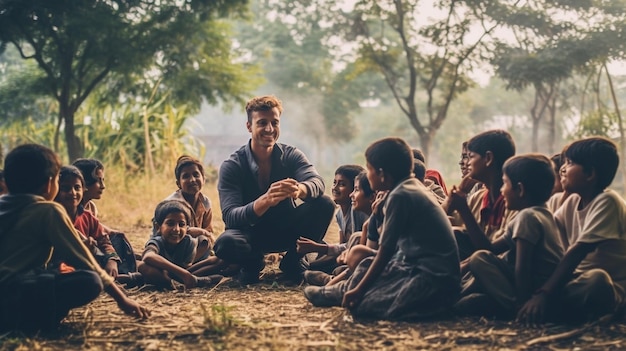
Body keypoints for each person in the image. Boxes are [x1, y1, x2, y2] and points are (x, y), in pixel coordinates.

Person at [304, 137, 461, 320]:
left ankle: (345, 293)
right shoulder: (410, 187)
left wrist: (359, 291)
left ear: (381, 174)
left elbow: (384, 253)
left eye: (369, 169)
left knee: (364, 306)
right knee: (365, 264)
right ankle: (338, 291)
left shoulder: (400, 196)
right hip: (410, 268)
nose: (366, 174)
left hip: (432, 280)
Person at [0, 144, 149, 331]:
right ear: (49, 184)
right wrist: (122, 299)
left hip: (12, 288)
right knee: (90, 281)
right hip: (13, 293)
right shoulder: (48, 210)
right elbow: (84, 259)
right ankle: (32, 320)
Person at [214, 95, 335, 284]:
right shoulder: (232, 165)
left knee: (325, 203)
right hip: (250, 235)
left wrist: (300, 189)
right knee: (225, 244)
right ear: (249, 127)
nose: (269, 129)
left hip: (286, 229)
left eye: (274, 122)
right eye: (262, 123)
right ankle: (252, 265)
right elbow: (230, 216)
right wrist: (265, 200)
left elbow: (317, 182)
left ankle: (293, 262)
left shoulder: (291, 155)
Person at [518, 137, 626, 323]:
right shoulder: (573, 201)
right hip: (571, 280)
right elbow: (548, 231)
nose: (563, 168)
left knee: (597, 280)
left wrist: (544, 293)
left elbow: (577, 251)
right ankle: (543, 308)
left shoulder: (607, 202)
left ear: (590, 173)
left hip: (607, 287)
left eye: (570, 163)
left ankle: (540, 307)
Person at [455, 154, 563, 318]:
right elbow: (489, 249)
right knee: (480, 259)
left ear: (520, 190)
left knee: (479, 260)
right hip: (530, 284)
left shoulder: (528, 217)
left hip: (534, 288)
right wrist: (464, 211)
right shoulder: (537, 212)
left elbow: (523, 268)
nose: (501, 190)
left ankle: (516, 308)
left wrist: (523, 301)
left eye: (505, 183)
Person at [444, 130, 517, 260]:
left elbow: (491, 253)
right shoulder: (478, 198)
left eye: (471, 157)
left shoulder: (515, 202)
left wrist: (464, 209)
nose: (467, 163)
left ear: (488, 158)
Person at [299, 170, 377, 286]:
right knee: (328, 266)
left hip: (358, 259)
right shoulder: (339, 214)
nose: (335, 188)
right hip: (349, 256)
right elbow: (343, 245)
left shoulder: (360, 214)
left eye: (342, 184)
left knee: (353, 243)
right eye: (334, 183)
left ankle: (330, 280)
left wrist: (319, 248)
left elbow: (357, 247)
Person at [136, 199, 223, 289]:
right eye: (170, 224)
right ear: (158, 227)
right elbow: (148, 256)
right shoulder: (157, 241)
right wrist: (184, 274)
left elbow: (187, 267)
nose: (176, 229)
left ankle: (190, 280)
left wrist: (185, 273)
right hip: (165, 273)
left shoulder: (188, 241)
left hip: (184, 273)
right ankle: (189, 282)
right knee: (143, 267)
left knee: (218, 260)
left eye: (181, 224)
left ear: (187, 228)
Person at [54, 166, 121, 277]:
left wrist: (112, 260)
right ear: (56, 190)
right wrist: (81, 247)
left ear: (83, 189)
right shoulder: (53, 216)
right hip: (62, 266)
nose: (73, 193)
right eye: (65, 188)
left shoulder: (87, 216)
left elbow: (104, 241)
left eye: (77, 187)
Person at [164, 155, 215, 262]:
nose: (192, 180)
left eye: (196, 175)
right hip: (172, 246)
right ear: (178, 183)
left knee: (206, 243)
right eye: (186, 176)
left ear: (203, 179)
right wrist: (199, 232)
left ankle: (187, 268)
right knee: (194, 239)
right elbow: (163, 232)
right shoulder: (172, 204)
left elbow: (208, 230)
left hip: (196, 249)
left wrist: (205, 234)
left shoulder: (205, 203)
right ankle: (182, 269)